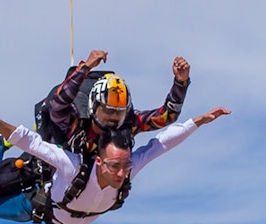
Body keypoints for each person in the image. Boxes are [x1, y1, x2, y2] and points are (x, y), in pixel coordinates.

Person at [0, 104, 230, 224]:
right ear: (100, 160)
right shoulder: (74, 166)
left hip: (46, 215)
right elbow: (31, 142)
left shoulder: (129, 167)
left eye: (125, 165)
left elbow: (161, 144)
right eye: (115, 166)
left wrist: (198, 121)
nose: (122, 173)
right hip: (36, 195)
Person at [37, 49, 192, 153]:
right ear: (94, 106)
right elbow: (58, 105)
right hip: (57, 186)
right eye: (108, 110)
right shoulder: (75, 122)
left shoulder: (128, 124)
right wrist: (86, 67)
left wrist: (180, 83)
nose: (113, 117)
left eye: (119, 112)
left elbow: (167, 116)